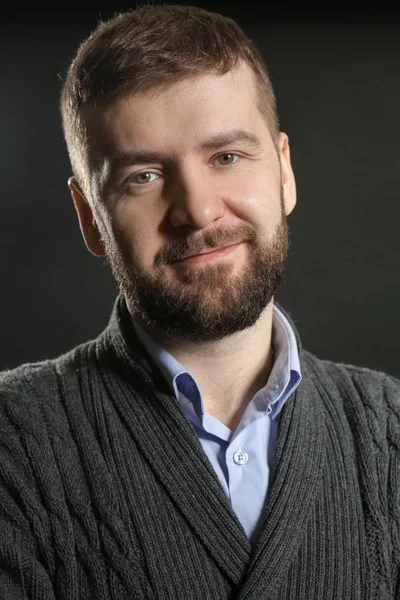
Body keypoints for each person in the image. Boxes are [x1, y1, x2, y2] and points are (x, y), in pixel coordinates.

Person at [0, 4, 399, 599]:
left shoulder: (391, 432)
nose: (199, 210)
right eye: (144, 176)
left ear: (284, 172)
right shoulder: (14, 444)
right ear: (90, 217)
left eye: (227, 157)